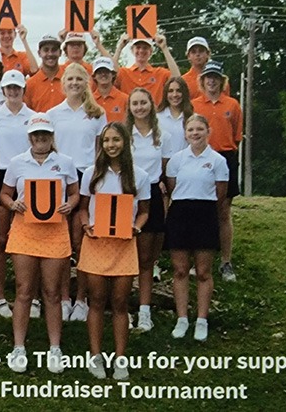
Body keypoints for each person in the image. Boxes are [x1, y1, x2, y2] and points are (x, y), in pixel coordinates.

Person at [0, 114, 79, 374]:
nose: (40, 138)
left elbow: (75, 192)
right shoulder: (16, 163)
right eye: (36, 134)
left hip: (55, 231)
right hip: (25, 230)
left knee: (53, 292)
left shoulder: (65, 163)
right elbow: (4, 193)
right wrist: (13, 204)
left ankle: (55, 347)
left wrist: (71, 204)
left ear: (51, 136)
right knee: (24, 290)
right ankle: (18, 346)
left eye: (45, 134)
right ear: (30, 137)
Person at [78, 122, 150, 380]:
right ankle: (95, 357)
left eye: (116, 140)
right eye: (107, 140)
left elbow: (144, 211)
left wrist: (136, 228)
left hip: (123, 245)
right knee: (96, 300)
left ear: (126, 143)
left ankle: (120, 359)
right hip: (97, 243)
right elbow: (84, 208)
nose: (111, 145)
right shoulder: (91, 173)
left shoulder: (139, 176)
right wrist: (86, 225)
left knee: (120, 302)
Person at [47, 63, 107, 321]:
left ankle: (81, 299)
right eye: (69, 79)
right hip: (60, 177)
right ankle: (61, 297)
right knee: (61, 241)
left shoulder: (97, 113)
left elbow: (101, 149)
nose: (74, 83)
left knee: (82, 239)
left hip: (87, 175)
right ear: (63, 83)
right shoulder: (52, 113)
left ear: (86, 83)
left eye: (78, 79)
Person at [165, 114, 229, 342]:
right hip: (180, 214)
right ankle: (182, 318)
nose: (195, 133)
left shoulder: (218, 160)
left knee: (203, 272)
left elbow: (221, 193)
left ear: (208, 131)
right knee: (180, 270)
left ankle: (201, 319)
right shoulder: (176, 159)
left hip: (205, 214)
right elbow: (173, 187)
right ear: (185, 133)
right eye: (191, 129)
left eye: (199, 129)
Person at [0, 70, 36, 319]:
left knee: (31, 240)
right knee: (0, 240)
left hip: (28, 176)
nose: (13, 92)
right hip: (2, 175)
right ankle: (1, 297)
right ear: (3, 91)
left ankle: (31, 297)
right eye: (9, 88)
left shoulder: (34, 117)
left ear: (24, 90)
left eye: (18, 88)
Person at [126, 88, 173, 332]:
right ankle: (123, 308)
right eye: (135, 103)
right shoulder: (124, 134)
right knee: (125, 256)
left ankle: (144, 310)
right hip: (126, 195)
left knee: (146, 258)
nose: (139, 107)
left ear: (150, 105)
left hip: (152, 194)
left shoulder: (161, 134)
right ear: (130, 107)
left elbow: (165, 168)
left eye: (143, 102)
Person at [192, 61, 242, 282]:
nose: (211, 81)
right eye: (208, 77)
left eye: (215, 78)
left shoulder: (232, 104)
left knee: (223, 210)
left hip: (225, 157)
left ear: (222, 81)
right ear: (202, 81)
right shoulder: (194, 105)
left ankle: (225, 261)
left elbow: (237, 136)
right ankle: (200, 262)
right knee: (201, 210)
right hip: (200, 157)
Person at [113, 33, 181, 102]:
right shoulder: (123, 73)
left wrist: (164, 48)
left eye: (145, 48)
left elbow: (177, 79)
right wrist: (119, 48)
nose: (141, 51)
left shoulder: (159, 73)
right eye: (138, 47)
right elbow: (110, 73)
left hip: (155, 112)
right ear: (132, 50)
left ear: (151, 51)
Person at [24, 34, 66, 113]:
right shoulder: (30, 84)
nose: (50, 54)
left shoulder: (69, 80)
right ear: (39, 53)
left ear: (60, 53)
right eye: (46, 50)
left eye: (54, 50)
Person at [157, 77, 194, 153]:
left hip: (186, 163)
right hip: (163, 163)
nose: (175, 95)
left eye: (179, 91)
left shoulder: (193, 118)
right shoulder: (157, 118)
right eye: (170, 91)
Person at [91, 57, 129, 123]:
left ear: (113, 74)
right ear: (94, 76)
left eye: (106, 71)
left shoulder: (125, 99)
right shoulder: (89, 100)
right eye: (99, 72)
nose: (103, 74)